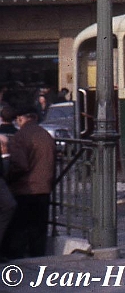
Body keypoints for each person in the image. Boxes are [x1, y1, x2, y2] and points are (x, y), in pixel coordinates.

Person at [1, 106, 56, 258]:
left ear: (20, 118)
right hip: (44, 188)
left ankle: (16, 258)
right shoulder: (45, 135)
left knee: (20, 228)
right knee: (39, 229)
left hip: (25, 189)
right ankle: (37, 257)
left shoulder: (21, 136)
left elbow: (20, 165)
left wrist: (8, 178)